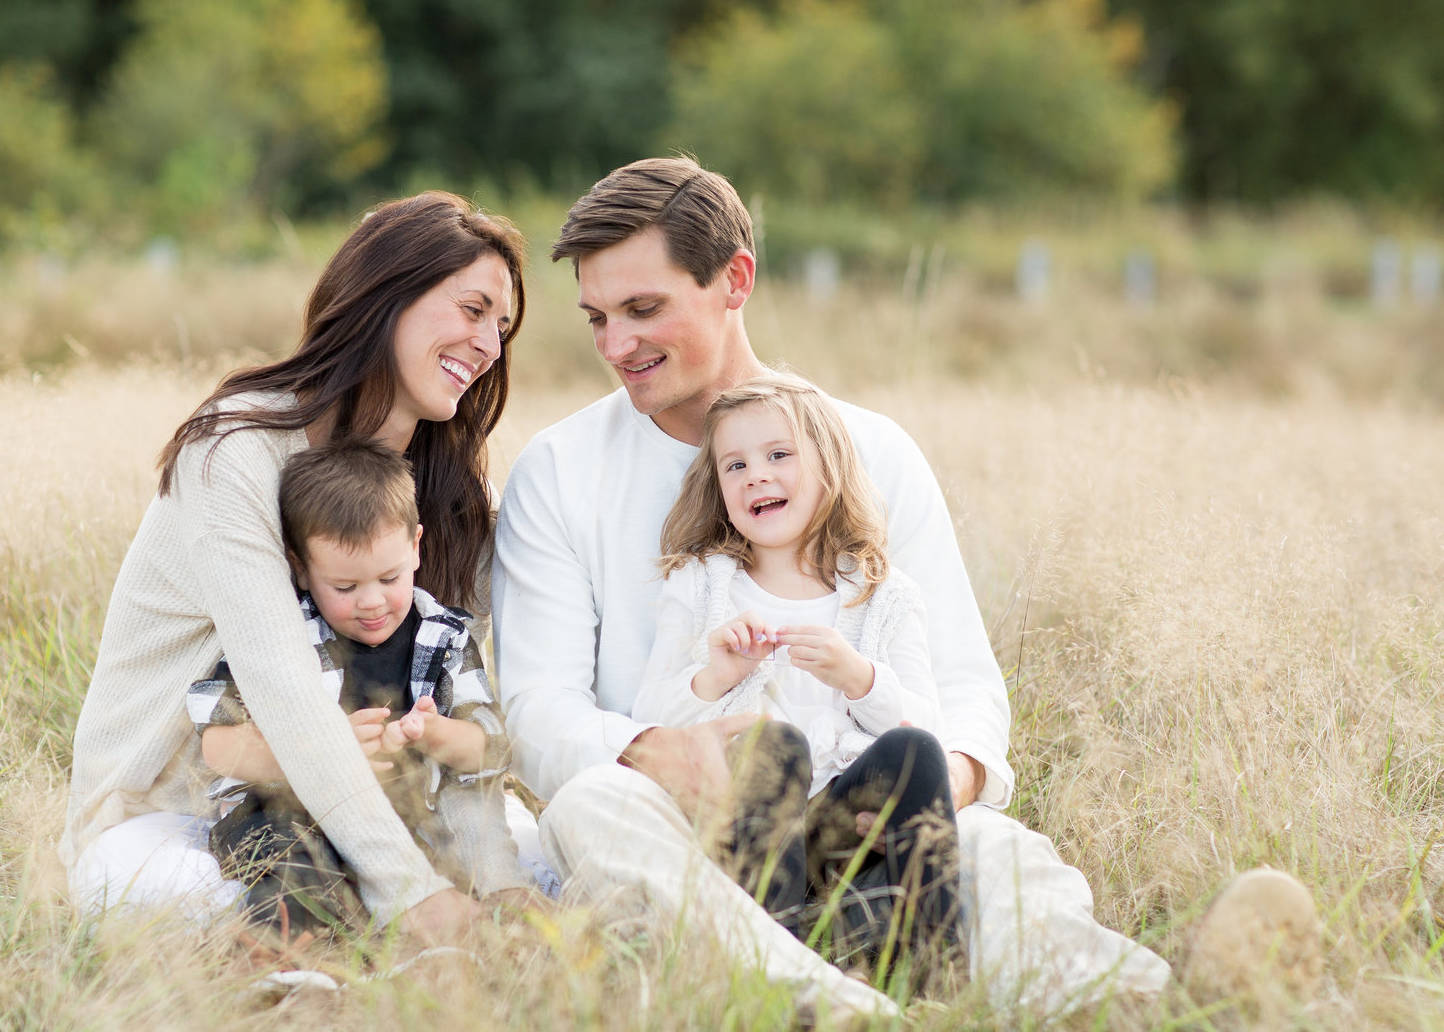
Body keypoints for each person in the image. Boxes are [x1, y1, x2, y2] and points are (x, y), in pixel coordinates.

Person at [491, 157, 1172, 1019]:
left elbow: (963, 686)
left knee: (1002, 851)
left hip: (866, 813)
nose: (615, 345)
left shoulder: (873, 450)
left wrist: (926, 791)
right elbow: (537, 710)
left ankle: (1153, 1000)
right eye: (597, 318)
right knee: (592, 805)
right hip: (682, 821)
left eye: (644, 308)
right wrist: (661, 753)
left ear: (734, 279)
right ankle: (833, 1007)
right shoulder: (560, 468)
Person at [62, 191, 529, 953]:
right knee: (174, 897)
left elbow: (500, 675)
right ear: (388, 295)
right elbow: (283, 692)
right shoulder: (234, 449)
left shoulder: (448, 488)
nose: (489, 345)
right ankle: (344, 932)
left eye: (502, 327)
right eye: (473, 309)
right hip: (188, 815)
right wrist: (414, 892)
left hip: (391, 811)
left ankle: (380, 913)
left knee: (550, 866)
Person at [631, 373, 960, 973]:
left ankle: (940, 966)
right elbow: (650, 720)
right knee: (772, 742)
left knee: (913, 748)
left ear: (829, 468)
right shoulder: (701, 584)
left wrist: (860, 678)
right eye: (735, 465)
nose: (756, 473)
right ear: (720, 487)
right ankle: (773, 960)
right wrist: (717, 675)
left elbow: (932, 730)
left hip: (841, 828)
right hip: (745, 829)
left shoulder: (884, 596)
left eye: (779, 455)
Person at [188, 437, 531, 940]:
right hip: (288, 816)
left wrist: (432, 733)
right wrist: (320, 752)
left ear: (416, 546)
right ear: (301, 568)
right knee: (293, 860)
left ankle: (487, 921)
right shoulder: (283, 633)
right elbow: (217, 743)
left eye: (389, 577)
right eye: (345, 588)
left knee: (471, 824)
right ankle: (286, 953)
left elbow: (489, 748)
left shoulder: (444, 636)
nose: (371, 602)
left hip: (409, 822)